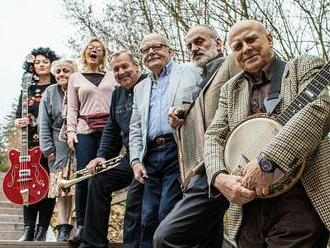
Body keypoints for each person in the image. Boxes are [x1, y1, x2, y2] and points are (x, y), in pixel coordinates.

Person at [205, 19, 330, 247]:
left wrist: (267, 161)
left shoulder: (305, 66)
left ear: (269, 39)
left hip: (301, 196)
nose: (246, 48)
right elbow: (214, 135)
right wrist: (219, 178)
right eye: (238, 46)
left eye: (251, 39)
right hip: (247, 205)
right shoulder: (230, 89)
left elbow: (318, 109)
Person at [154, 25, 240, 248]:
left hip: (224, 164)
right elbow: (204, 111)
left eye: (200, 41)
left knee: (165, 238)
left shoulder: (232, 62)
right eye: (190, 45)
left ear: (219, 43)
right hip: (201, 169)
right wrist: (182, 111)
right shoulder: (202, 77)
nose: (194, 48)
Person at [129, 33, 201, 248]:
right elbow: (134, 127)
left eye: (157, 46)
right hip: (150, 155)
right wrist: (135, 161)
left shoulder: (191, 71)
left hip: (179, 149)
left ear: (170, 51)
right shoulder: (140, 87)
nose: (151, 52)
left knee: (167, 213)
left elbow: (204, 103)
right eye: (145, 50)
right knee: (147, 218)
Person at [79, 50, 146, 248]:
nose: (121, 72)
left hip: (148, 157)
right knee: (99, 180)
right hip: (128, 158)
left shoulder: (149, 84)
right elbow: (111, 128)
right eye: (116, 69)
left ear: (136, 67)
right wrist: (101, 156)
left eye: (125, 67)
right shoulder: (117, 93)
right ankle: (92, 243)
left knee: (134, 200)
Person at [66, 37, 118, 246]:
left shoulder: (113, 76)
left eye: (98, 49)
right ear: (85, 53)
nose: (94, 51)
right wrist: (71, 132)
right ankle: (81, 227)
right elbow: (72, 107)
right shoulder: (75, 77)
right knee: (84, 178)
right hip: (84, 131)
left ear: (103, 55)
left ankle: (98, 230)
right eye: (90, 48)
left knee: (103, 181)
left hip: (109, 132)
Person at [14, 47, 59, 241]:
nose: (41, 65)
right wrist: (19, 122)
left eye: (45, 62)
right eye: (37, 62)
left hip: (54, 144)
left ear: (51, 64)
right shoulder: (28, 89)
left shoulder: (59, 87)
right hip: (30, 145)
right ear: (32, 66)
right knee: (28, 182)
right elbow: (18, 116)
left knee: (49, 186)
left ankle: (42, 230)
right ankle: (28, 229)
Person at [38, 59, 78, 241]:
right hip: (57, 147)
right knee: (61, 188)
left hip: (78, 144)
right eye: (59, 71)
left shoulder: (78, 87)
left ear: (73, 72)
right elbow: (43, 122)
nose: (62, 74)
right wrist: (47, 148)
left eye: (66, 71)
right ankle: (63, 227)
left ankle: (78, 226)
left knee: (78, 187)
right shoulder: (50, 92)